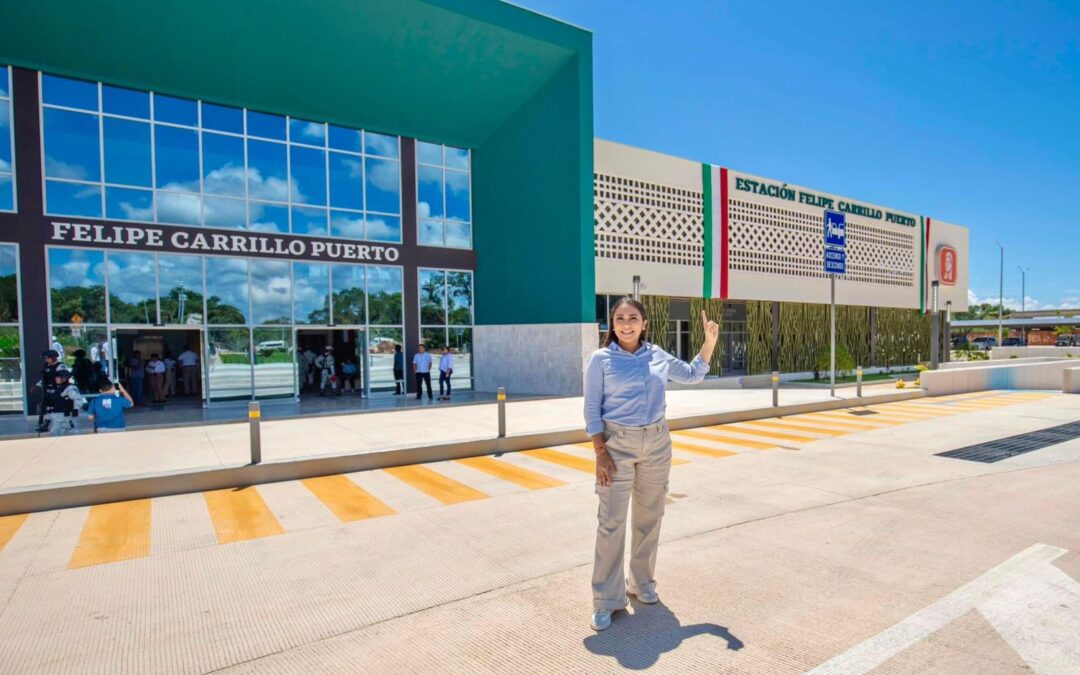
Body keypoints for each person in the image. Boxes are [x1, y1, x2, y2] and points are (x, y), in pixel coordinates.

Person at [584, 298, 718, 631]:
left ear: (644, 323)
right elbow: (591, 410)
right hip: (616, 446)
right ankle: (606, 600)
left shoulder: (657, 355)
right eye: (619, 318)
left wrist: (709, 343)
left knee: (650, 518)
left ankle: (640, 584)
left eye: (633, 318)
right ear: (612, 324)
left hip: (657, 444)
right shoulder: (600, 360)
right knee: (611, 522)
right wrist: (601, 452)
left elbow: (690, 374)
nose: (626, 324)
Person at [32, 350, 68, 433]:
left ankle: (61, 424)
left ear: (53, 357)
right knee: (47, 408)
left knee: (57, 408)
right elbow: (44, 378)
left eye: (47, 358)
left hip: (57, 390)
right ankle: (45, 423)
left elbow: (64, 378)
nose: (46, 360)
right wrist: (36, 386)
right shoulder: (47, 366)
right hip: (47, 390)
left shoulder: (60, 366)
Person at [44, 368, 85, 436]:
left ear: (64, 378)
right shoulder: (57, 388)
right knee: (57, 434)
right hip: (56, 416)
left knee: (62, 434)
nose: (56, 378)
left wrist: (76, 409)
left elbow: (77, 398)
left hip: (65, 416)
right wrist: (47, 418)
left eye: (58, 377)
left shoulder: (69, 388)